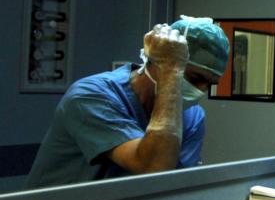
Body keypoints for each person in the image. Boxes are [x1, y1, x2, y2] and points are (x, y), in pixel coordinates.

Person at [26, 16, 229, 189]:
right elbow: (153, 167)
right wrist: (171, 71)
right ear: (159, 62)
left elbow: (172, 185)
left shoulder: (192, 117)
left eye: (209, 84)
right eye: (194, 79)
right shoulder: (91, 97)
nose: (200, 90)